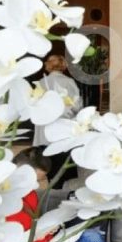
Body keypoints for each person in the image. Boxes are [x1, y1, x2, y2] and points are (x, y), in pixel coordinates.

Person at [34, 54, 82, 188]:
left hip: (44, 129)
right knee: (62, 164)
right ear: (63, 65)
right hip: (63, 129)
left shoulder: (41, 83)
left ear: (48, 65)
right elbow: (76, 105)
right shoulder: (69, 82)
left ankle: (52, 188)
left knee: (48, 163)